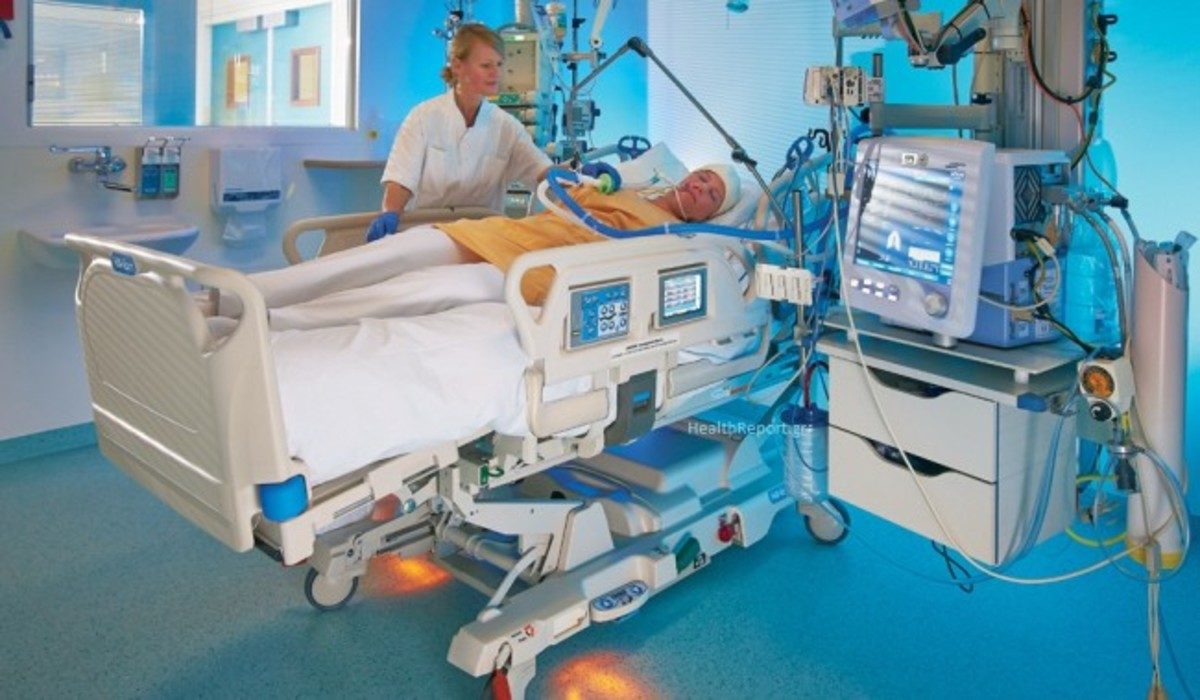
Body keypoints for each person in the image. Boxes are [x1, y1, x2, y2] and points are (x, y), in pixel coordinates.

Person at [224, 165, 740, 329]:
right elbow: (556, 191)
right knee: (389, 253)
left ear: (710, 214)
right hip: (502, 233)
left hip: (538, 271)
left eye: (711, 193)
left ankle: (270, 322)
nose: (699, 187)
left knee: (417, 290)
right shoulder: (622, 187)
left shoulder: (682, 239)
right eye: (700, 177)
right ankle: (236, 294)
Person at [368, 24, 552, 241]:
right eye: (486, 65)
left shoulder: (505, 126)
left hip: (481, 238)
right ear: (457, 66)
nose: (496, 73)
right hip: (427, 235)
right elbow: (401, 180)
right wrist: (390, 213)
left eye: (499, 64)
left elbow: (541, 171)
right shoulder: (423, 117)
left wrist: (576, 179)